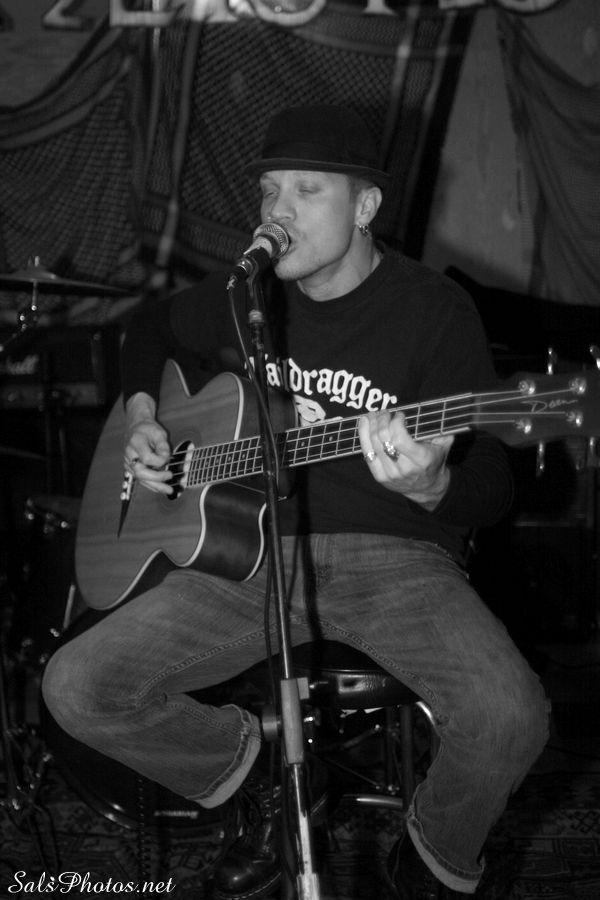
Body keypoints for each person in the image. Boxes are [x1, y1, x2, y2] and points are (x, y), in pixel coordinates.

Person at [42, 105, 549, 900]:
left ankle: (427, 864)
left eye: (307, 191)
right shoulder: (249, 295)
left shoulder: (434, 310)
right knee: (76, 685)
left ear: (365, 206)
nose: (278, 211)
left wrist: (434, 484)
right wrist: (143, 416)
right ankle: (263, 784)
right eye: (269, 190)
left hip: (399, 562)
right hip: (253, 560)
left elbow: (493, 481)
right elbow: (150, 329)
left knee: (511, 718)